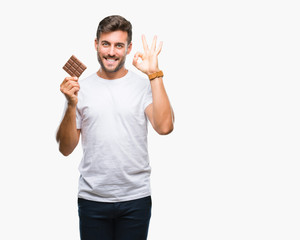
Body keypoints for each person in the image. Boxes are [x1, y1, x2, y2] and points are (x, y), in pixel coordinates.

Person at [56, 15, 174, 240]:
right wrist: (71, 105)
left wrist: (153, 74)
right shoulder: (80, 89)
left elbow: (165, 127)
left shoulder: (143, 86)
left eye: (119, 45)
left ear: (129, 48)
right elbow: (65, 148)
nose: (111, 52)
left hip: (135, 198)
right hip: (92, 199)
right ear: (96, 44)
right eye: (106, 44)